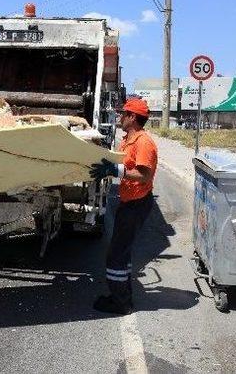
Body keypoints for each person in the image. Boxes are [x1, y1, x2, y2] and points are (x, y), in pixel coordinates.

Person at [90, 98, 157, 315]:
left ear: (133, 117)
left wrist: (115, 171)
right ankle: (123, 296)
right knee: (123, 254)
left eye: (123, 114)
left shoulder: (143, 142)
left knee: (116, 256)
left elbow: (145, 176)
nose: (120, 117)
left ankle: (120, 303)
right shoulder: (129, 139)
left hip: (137, 205)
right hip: (129, 202)